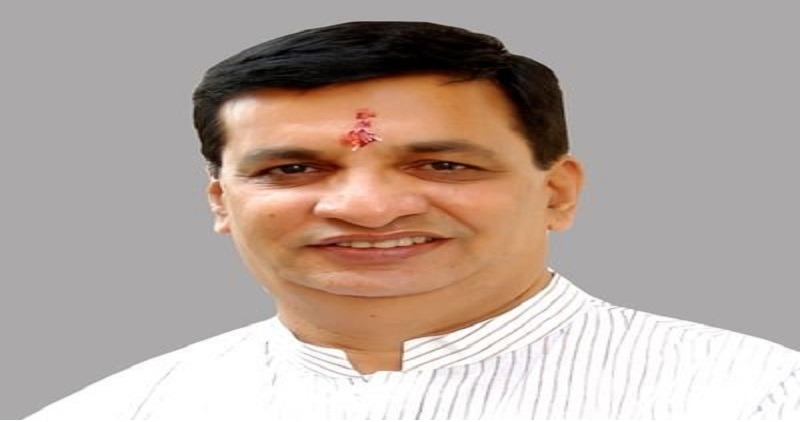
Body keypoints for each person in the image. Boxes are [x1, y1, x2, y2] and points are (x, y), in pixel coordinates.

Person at [27, 21, 800, 420]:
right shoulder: (119, 411)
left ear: (558, 192)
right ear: (221, 203)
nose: (366, 207)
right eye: (293, 169)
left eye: (443, 166)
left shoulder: (754, 398)